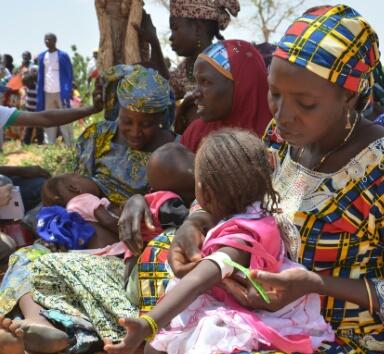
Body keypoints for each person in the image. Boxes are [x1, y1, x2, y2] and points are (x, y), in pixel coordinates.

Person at [119, 5, 384, 354]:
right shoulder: (281, 138)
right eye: (275, 94)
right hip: (260, 311)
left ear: (348, 96)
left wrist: (313, 285)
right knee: (160, 253)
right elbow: (239, 198)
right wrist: (198, 220)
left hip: (337, 336)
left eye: (306, 103)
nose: (282, 115)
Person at [105, 129, 335, 354]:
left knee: (156, 348)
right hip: (236, 300)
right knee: (158, 347)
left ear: (203, 191)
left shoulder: (239, 239)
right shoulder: (254, 213)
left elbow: (197, 281)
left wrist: (148, 324)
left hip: (248, 314)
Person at [0, 143, 195, 354]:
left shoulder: (171, 210)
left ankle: (36, 334)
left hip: (122, 279)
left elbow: (119, 228)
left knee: (38, 267)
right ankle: (37, 335)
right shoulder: (96, 202)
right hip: (119, 273)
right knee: (32, 263)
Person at [75, 64, 175, 206]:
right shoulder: (98, 136)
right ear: (118, 112)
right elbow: (77, 187)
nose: (135, 132)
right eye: (127, 121)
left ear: (160, 118)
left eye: (146, 125)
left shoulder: (174, 150)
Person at [180, 40, 272, 153]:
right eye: (197, 82)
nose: (195, 93)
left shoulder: (280, 137)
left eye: (206, 82)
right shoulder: (195, 134)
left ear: (242, 84)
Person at [168, 0, 240, 133]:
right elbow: (162, 98)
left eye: (175, 28)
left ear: (197, 27)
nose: (171, 37)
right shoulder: (182, 70)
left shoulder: (229, 58)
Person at [36, 33, 74, 145]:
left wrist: (69, 89)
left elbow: (69, 74)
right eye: (45, 39)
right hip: (47, 93)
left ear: (55, 40)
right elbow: (40, 75)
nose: (46, 41)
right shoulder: (42, 56)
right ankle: (50, 145)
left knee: (65, 119)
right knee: (48, 119)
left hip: (61, 92)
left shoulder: (63, 55)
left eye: (49, 39)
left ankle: (69, 144)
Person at [21, 69, 44, 145]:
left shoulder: (37, 87)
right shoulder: (27, 88)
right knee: (29, 127)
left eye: (27, 83)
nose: (26, 85)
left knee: (39, 127)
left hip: (36, 110)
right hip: (29, 110)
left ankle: (40, 141)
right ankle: (25, 142)